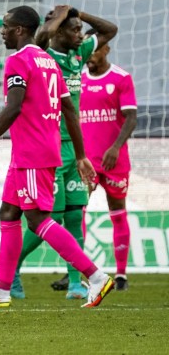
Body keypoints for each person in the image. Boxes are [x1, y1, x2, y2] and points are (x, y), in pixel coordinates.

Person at [0, 5, 114, 309]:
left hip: (33, 153)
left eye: (6, 26)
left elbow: (14, 106)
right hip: (31, 153)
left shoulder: (18, 60)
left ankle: (95, 276)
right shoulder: (48, 61)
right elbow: (69, 108)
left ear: (19, 29)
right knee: (8, 213)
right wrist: (81, 155)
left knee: (38, 220)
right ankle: (2, 291)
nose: (2, 32)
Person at [11, 5, 118, 300]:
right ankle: (12, 269)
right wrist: (58, 19)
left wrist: (79, 14)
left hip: (73, 147)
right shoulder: (43, 55)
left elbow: (110, 30)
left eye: (80, 30)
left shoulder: (78, 53)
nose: (81, 35)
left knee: (74, 215)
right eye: (74, 30)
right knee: (50, 218)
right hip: (48, 147)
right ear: (58, 30)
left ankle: (75, 283)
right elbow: (42, 35)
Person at [80, 30, 137, 291]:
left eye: (95, 48)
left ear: (106, 50)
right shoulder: (77, 79)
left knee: (117, 213)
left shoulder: (121, 78)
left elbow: (131, 117)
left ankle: (122, 274)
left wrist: (115, 147)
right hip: (86, 162)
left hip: (115, 160)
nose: (90, 54)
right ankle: (78, 272)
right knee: (77, 212)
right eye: (86, 48)